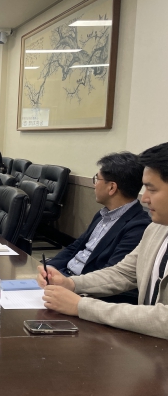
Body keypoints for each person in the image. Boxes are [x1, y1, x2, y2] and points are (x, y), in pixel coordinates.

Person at [37, 142, 168, 340]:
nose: (144, 198)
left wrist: (82, 306)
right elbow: (124, 273)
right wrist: (70, 283)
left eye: (152, 189)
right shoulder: (156, 228)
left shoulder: (143, 224)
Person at [46, 152, 150, 304]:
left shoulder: (138, 227)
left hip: (85, 291)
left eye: (97, 179)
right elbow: (76, 247)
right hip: (65, 277)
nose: (94, 185)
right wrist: (49, 268)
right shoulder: (103, 214)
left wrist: (70, 285)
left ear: (111, 187)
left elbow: (112, 277)